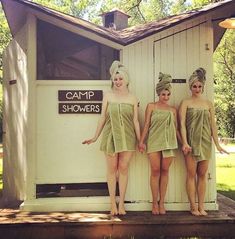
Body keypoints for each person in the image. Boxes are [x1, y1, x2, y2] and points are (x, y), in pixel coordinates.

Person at [82, 60, 140, 215]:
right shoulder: (108, 96)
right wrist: (95, 137)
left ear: (126, 80)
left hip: (128, 137)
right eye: (115, 79)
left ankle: (121, 204)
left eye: (120, 79)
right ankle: (112, 203)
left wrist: (140, 140)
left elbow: (135, 121)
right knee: (111, 169)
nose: (118, 82)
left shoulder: (133, 98)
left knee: (123, 169)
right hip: (110, 136)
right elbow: (102, 118)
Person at [179, 67, 229, 216]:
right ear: (190, 87)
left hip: (206, 142)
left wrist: (217, 144)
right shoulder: (185, 102)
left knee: (202, 174)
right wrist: (185, 142)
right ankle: (193, 207)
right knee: (191, 174)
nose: (197, 89)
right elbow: (181, 124)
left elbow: (213, 125)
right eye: (194, 86)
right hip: (191, 143)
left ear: (203, 86)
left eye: (200, 86)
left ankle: (201, 206)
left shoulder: (208, 104)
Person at [138, 72, 180, 215]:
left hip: (169, 143)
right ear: (158, 94)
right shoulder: (151, 106)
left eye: (168, 94)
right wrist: (141, 141)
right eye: (163, 94)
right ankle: (154, 202)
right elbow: (146, 125)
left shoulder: (173, 110)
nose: (166, 97)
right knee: (155, 171)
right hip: (154, 142)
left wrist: (184, 143)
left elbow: (177, 130)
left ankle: (162, 202)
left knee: (165, 171)